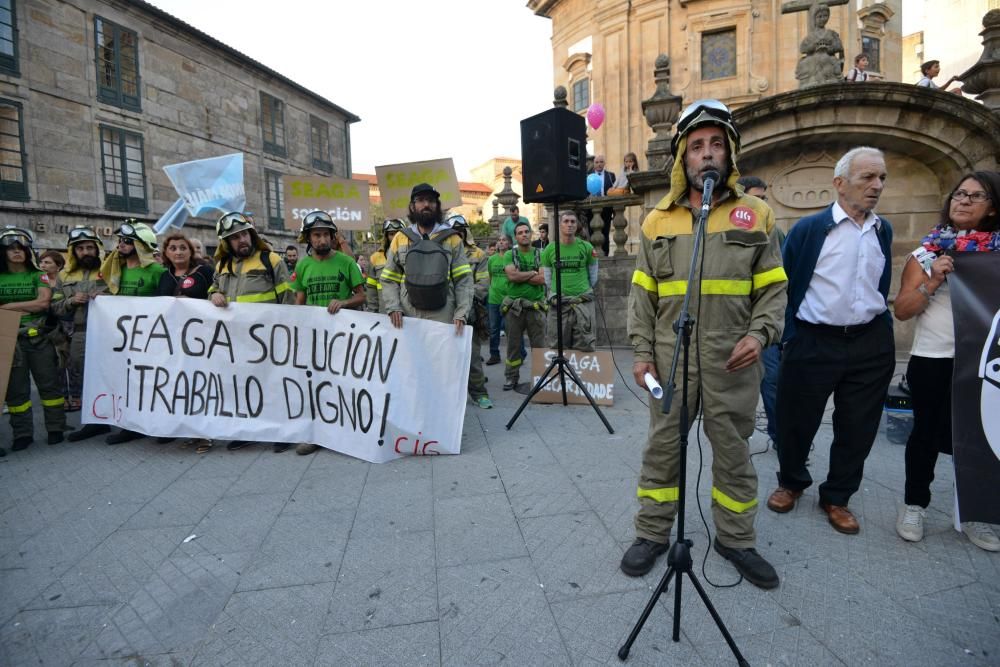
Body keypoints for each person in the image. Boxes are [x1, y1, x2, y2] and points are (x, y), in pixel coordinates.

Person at [622, 99, 787, 589]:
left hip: (732, 360)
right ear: (682, 158)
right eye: (697, 147)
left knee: (734, 451)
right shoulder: (658, 220)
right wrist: (642, 353)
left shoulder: (755, 215)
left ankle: (737, 540)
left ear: (730, 154)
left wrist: (760, 336)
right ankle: (652, 533)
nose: (707, 154)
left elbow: (774, 288)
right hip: (669, 358)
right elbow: (642, 293)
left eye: (717, 144)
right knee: (661, 449)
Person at [767, 147, 895, 536]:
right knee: (795, 420)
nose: (876, 186)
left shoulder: (882, 230)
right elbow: (783, 286)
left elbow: (881, 283)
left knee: (858, 427)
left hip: (869, 343)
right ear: (840, 184)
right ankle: (791, 482)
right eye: (867, 177)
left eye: (882, 178)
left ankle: (837, 497)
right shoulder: (809, 230)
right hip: (813, 341)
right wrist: (788, 338)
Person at [893, 171, 1000, 552]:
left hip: (984, 362)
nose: (964, 201)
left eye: (976, 196)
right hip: (932, 359)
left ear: (992, 209)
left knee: (979, 439)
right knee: (924, 435)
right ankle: (914, 505)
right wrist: (932, 281)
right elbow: (903, 311)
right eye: (960, 194)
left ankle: (975, 513)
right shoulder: (926, 253)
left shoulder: (996, 256)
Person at [210, 211, 294, 453]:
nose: (241, 240)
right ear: (226, 242)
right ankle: (249, 431)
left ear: (252, 234)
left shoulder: (271, 260)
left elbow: (287, 299)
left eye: (244, 234)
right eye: (235, 237)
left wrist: (285, 335)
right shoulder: (222, 265)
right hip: (236, 340)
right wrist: (213, 294)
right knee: (244, 386)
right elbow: (213, 288)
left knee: (275, 384)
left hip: (269, 338)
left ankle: (283, 432)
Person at [289, 210, 367, 455]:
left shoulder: (346, 263)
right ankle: (316, 435)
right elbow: (299, 302)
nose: (321, 240)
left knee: (345, 383)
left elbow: (362, 295)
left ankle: (348, 431)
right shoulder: (303, 266)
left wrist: (343, 303)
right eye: (316, 235)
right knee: (316, 385)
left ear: (333, 237)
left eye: (325, 235)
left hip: (343, 336)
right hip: (314, 337)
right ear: (308, 239)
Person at [99, 220, 166, 445]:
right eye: (120, 240)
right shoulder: (116, 270)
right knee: (127, 382)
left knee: (151, 382)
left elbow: (168, 303)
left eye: (128, 241)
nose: (121, 244)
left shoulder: (156, 271)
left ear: (142, 245)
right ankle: (131, 425)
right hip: (123, 339)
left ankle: (157, 422)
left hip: (150, 339)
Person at [0, 227, 67, 454]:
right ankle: (22, 434)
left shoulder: (39, 274)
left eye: (21, 248)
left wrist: (8, 307)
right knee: (16, 392)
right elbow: (35, 302)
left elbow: (43, 303)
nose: (17, 252)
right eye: (11, 248)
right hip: (10, 338)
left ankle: (55, 429)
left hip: (39, 338)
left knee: (49, 385)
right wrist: (26, 306)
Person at [380, 182, 473, 333]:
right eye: (421, 200)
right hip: (407, 315)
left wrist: (461, 313)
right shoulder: (400, 238)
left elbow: (464, 280)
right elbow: (389, 278)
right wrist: (393, 307)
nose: (426, 204)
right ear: (412, 206)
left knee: (440, 357)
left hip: (443, 315)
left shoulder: (452, 238)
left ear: (437, 205)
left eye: (431, 200)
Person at [156, 232, 215, 453]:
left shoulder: (204, 273)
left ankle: (206, 434)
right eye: (173, 248)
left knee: (201, 383)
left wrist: (193, 304)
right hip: (173, 340)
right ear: (166, 253)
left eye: (183, 247)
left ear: (191, 251)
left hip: (201, 339)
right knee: (181, 383)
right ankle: (190, 430)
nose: (178, 252)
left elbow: (217, 297)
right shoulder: (164, 276)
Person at [736, 175, 781, 446]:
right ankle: (740, 434)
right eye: (757, 197)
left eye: (765, 199)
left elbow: (781, 284)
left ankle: (779, 435)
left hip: (765, 329)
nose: (763, 204)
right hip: (735, 326)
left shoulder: (774, 231)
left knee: (772, 383)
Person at [60, 227, 110, 442]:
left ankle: (121, 417)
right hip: (80, 334)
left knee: (112, 376)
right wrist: (71, 301)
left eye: (90, 247)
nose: (86, 251)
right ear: (73, 251)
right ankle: (94, 422)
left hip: (109, 334)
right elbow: (54, 307)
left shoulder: (111, 270)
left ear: (97, 249)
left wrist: (106, 296)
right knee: (83, 378)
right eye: (80, 248)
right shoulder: (64, 275)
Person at [450, 214, 493, 409]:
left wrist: (463, 299)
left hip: (470, 312)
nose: (458, 235)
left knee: (473, 355)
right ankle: (450, 396)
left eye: (461, 231)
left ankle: (479, 393)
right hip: (445, 312)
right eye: (454, 232)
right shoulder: (441, 253)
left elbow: (483, 284)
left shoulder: (478, 255)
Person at [541, 210, 598, 352]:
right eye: (566, 221)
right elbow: (548, 279)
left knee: (585, 346)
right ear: (560, 225)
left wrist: (580, 293)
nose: (570, 225)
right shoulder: (549, 249)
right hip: (559, 305)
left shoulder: (587, 248)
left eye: (573, 221)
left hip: (583, 304)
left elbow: (593, 277)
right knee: (556, 346)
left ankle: (580, 375)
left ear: (577, 225)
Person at [502, 220, 547, 392]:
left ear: (531, 234)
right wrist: (532, 273)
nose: (524, 235)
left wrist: (522, 275)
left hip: (535, 307)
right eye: (520, 233)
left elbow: (543, 279)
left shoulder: (540, 254)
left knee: (539, 346)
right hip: (514, 307)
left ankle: (541, 379)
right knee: (513, 346)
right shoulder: (509, 255)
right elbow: (512, 276)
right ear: (515, 237)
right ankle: (511, 378)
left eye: (526, 232)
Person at [795, 1, 845, 87]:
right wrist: (813, 47)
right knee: (807, 63)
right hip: (813, 59)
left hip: (828, 57)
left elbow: (839, 47)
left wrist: (830, 48)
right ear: (814, 19)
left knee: (831, 61)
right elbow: (803, 48)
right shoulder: (811, 36)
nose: (822, 19)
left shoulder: (831, 33)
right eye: (819, 17)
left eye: (825, 16)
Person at [366, 218, 405, 314]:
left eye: (398, 234)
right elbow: (371, 289)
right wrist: (372, 313)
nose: (395, 237)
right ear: (386, 236)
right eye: (391, 234)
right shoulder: (375, 258)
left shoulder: (411, 256)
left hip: (408, 314)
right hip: (384, 315)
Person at [485, 235, 511, 365]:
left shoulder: (512, 258)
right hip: (494, 299)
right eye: (499, 240)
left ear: (509, 243)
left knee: (512, 330)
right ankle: (494, 355)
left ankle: (518, 354)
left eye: (504, 240)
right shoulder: (491, 259)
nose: (501, 242)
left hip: (509, 299)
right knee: (494, 329)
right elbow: (490, 277)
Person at [588, 154, 617, 255]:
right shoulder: (588, 176)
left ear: (604, 163)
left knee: (605, 232)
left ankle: (605, 254)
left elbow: (614, 191)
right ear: (594, 164)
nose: (599, 164)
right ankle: (593, 255)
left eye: (601, 162)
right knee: (592, 233)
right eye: (597, 162)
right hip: (591, 210)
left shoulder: (611, 175)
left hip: (606, 209)